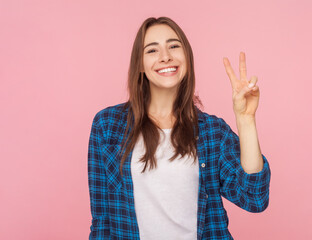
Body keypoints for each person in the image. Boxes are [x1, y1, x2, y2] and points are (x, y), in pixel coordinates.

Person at [88, 16, 271, 240]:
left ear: (187, 56)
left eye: (174, 46)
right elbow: (102, 220)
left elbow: (254, 198)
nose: (165, 57)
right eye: (152, 50)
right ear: (139, 65)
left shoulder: (212, 131)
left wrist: (246, 119)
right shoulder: (108, 126)